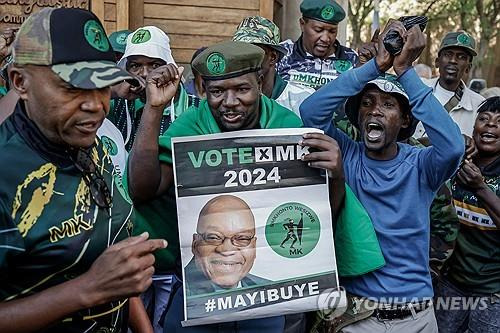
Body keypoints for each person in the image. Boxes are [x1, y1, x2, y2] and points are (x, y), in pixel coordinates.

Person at [126, 40, 347, 332]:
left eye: (242, 89)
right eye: (217, 91)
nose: (229, 102)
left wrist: (336, 175)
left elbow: (318, 216)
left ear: (260, 82)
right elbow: (142, 190)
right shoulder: (190, 127)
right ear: (203, 89)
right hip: (199, 295)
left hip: (272, 297)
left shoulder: (287, 127)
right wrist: (154, 109)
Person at [0, 8, 167, 332]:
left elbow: (113, 264)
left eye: (103, 86)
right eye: (72, 88)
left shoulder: (91, 147)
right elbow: (101, 280)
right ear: (20, 81)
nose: (96, 105)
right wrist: (86, 289)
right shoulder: (5, 175)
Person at [300, 21, 464, 332]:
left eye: (388, 105)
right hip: (356, 317)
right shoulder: (346, 154)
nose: (375, 111)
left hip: (415, 317)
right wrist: (375, 66)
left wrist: (405, 71)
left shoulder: (421, 165)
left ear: (404, 122)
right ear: (358, 116)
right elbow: (311, 112)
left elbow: (454, 146)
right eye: (367, 104)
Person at [107, 25, 199, 333]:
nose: (144, 74)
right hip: (123, 257)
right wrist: (113, 91)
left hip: (177, 257)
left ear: (171, 66)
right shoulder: (115, 109)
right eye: (135, 65)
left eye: (154, 64)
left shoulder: (194, 111)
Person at [435, 96, 500, 333]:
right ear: (473, 128)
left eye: (499, 121)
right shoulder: (458, 162)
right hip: (451, 283)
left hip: (492, 290)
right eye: (484, 119)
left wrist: (480, 188)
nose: (490, 125)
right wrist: (456, 143)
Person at [185, 195, 269, 295]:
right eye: (214, 237)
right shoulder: (173, 292)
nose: (227, 249)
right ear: (195, 245)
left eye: (242, 238)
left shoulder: (272, 292)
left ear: (254, 246)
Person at [233, 15, 315, 117]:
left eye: (252, 53)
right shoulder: (228, 100)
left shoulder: (302, 98)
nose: (243, 58)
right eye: (239, 52)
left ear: (272, 57)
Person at [413, 31, 484, 139]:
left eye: (461, 57)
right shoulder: (418, 88)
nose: (453, 61)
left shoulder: (478, 106)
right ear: (437, 62)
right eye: (448, 54)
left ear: (468, 68)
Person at [277, 0, 358, 90]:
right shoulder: (282, 54)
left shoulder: (351, 58)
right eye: (318, 30)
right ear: (302, 24)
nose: (325, 39)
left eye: (332, 31)